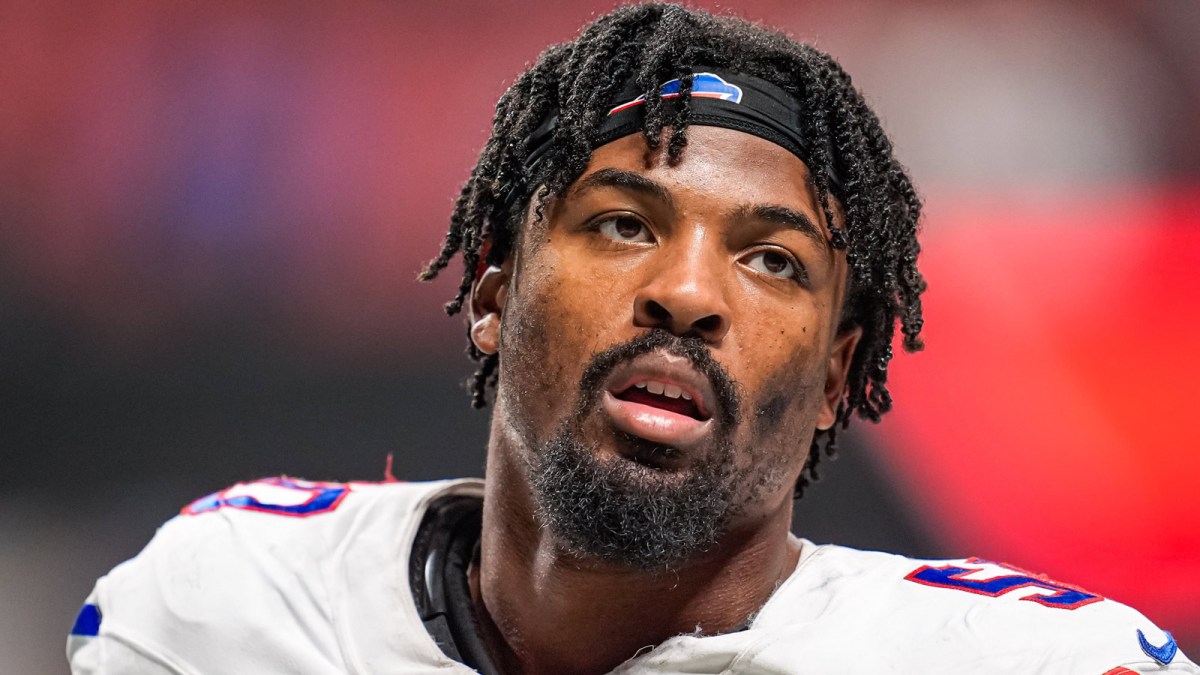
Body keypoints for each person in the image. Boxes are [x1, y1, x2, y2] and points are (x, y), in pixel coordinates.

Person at [68, 4, 1195, 674]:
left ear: (837, 377)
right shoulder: (226, 605)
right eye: (622, 225)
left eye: (772, 260)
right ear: (492, 289)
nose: (687, 293)